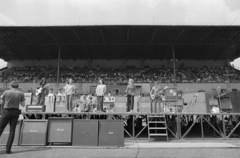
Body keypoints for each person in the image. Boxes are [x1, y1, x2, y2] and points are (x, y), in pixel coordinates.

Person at [0, 81, 25, 154]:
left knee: (0, 128)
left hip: (6, 111)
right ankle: (8, 149)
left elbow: (2, 103)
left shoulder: (6, 92)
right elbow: (23, 105)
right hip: (15, 112)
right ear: (17, 86)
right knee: (12, 130)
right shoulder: (21, 93)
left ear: (10, 86)